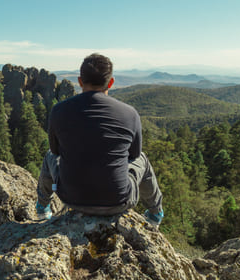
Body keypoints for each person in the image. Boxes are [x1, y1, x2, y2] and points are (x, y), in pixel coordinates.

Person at [35, 53, 164, 225]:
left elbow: (56, 150)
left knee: (49, 156)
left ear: (80, 81)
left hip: (70, 198)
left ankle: (42, 208)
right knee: (142, 159)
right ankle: (155, 214)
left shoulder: (58, 110)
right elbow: (134, 154)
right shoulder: (129, 113)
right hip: (119, 201)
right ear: (111, 82)